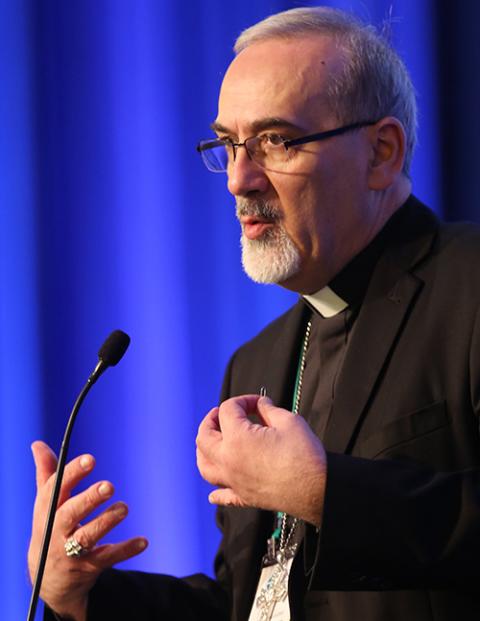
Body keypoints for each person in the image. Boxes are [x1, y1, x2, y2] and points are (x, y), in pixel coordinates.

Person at [29, 6, 480, 621]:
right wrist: (78, 594)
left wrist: (324, 493)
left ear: (382, 152)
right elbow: (252, 603)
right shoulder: (258, 360)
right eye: (228, 143)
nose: (239, 179)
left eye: (276, 140)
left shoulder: (469, 288)